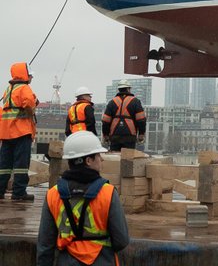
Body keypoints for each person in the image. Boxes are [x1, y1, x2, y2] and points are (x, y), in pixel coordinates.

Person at [37, 130, 130, 266]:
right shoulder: (108, 193)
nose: (102, 159)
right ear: (88, 161)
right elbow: (121, 240)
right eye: (98, 155)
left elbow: (45, 245)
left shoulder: (53, 194)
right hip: (101, 260)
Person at [0, 61, 39, 203]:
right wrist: (31, 110)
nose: (31, 78)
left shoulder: (9, 89)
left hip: (6, 132)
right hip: (21, 131)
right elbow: (28, 103)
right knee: (21, 165)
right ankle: (19, 193)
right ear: (25, 74)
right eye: (30, 75)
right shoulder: (24, 88)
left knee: (4, 165)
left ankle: (0, 190)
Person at [101, 83, 145, 153]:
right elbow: (141, 120)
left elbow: (106, 121)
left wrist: (106, 135)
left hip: (115, 136)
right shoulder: (135, 101)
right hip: (130, 136)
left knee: (115, 157)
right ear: (128, 89)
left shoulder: (112, 102)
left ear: (119, 89)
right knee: (128, 157)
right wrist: (141, 134)